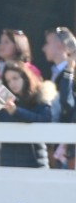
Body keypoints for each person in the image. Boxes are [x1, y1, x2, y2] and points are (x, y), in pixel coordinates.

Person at [0, 61, 54, 168]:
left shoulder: (39, 97)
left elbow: (44, 120)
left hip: (34, 161)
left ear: (25, 77)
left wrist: (16, 111)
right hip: (9, 162)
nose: (12, 83)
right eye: (8, 81)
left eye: (15, 78)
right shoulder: (4, 101)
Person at [40, 26, 76, 168]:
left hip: (68, 146)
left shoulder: (70, 75)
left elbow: (67, 105)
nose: (43, 48)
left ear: (60, 45)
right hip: (56, 143)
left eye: (48, 43)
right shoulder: (53, 74)